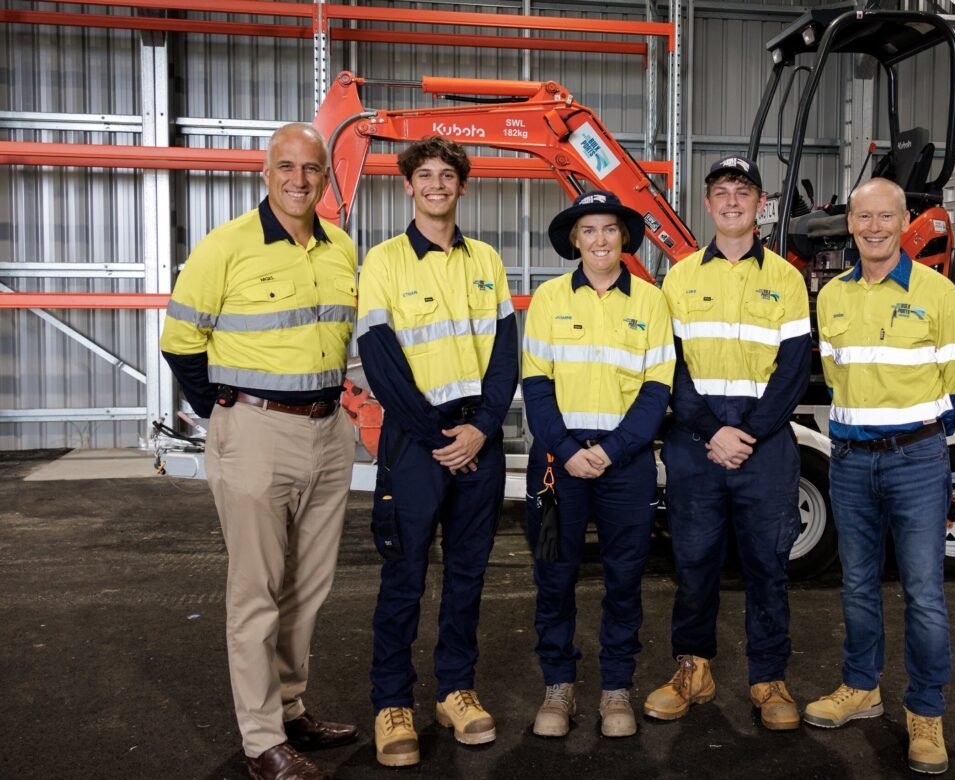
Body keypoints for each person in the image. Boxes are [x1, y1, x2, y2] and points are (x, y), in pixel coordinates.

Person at [160, 122, 359, 780]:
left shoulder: (340, 249)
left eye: (311, 169)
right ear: (265, 172)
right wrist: (221, 405)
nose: (299, 180)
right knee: (256, 593)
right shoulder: (228, 245)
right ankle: (260, 741)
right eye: (286, 167)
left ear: (326, 177)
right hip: (254, 430)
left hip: (328, 433)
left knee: (310, 588)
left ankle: (291, 707)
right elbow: (181, 340)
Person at [804, 177, 955, 775]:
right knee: (856, 586)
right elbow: (837, 379)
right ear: (850, 224)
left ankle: (926, 713)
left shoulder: (937, 294)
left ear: (904, 221)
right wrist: (862, 434)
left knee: (925, 594)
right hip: (850, 462)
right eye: (863, 217)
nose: (874, 227)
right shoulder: (832, 297)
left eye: (886, 216)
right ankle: (861, 687)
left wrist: (913, 437)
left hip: (916, 462)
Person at [354, 136, 518, 768]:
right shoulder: (385, 262)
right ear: (408, 187)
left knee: (468, 576)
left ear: (461, 187)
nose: (436, 185)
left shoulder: (488, 261)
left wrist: (480, 428)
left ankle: (455, 690)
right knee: (404, 575)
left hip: (478, 440)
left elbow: (505, 353)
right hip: (419, 445)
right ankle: (391, 703)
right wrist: (438, 437)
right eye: (424, 175)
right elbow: (380, 361)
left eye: (447, 175)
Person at [645, 156, 811, 731]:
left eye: (743, 192)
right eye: (722, 192)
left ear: (760, 203)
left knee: (768, 565)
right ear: (709, 204)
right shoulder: (681, 276)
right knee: (693, 562)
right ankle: (694, 668)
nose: (733, 201)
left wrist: (750, 433)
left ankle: (768, 678)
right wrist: (711, 431)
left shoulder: (786, 278)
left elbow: (793, 369)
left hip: (764, 446)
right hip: (697, 441)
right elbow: (671, 368)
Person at [521, 191, 675, 738]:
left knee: (624, 579)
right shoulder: (548, 298)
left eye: (610, 229)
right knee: (555, 577)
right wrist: (566, 451)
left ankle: (615, 690)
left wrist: (612, 451)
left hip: (625, 463)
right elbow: (536, 384)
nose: (601, 240)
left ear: (625, 237)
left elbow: (658, 389)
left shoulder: (651, 303)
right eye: (589, 231)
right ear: (574, 240)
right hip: (559, 463)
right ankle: (558, 689)